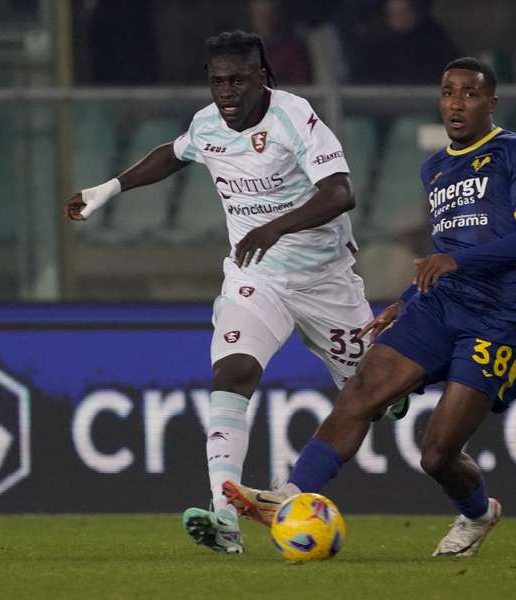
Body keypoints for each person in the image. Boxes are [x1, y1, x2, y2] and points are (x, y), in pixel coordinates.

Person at [65, 30, 397, 555]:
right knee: (233, 371)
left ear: (262, 77)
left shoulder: (294, 117)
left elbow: (341, 192)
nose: (228, 93)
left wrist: (276, 227)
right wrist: (107, 190)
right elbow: (174, 153)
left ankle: (393, 385)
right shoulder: (206, 124)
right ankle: (226, 519)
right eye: (218, 81)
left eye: (239, 80)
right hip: (255, 276)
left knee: (378, 396)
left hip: (326, 282)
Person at [224, 57, 516, 557]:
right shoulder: (436, 166)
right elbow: (449, 247)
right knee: (363, 388)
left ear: (492, 102)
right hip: (439, 304)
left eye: (470, 93)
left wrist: (455, 260)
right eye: (448, 92)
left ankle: (477, 514)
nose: (456, 103)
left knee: (438, 454)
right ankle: (291, 495)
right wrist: (405, 300)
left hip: (499, 313)